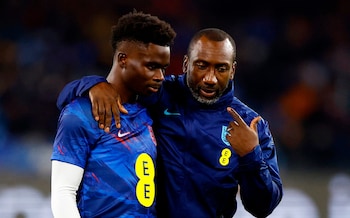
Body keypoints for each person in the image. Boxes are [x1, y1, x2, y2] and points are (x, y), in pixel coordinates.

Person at [57, 28, 283, 218]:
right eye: (201, 65)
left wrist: (251, 157)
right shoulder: (160, 95)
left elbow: (263, 207)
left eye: (221, 68)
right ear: (186, 64)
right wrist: (92, 85)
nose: (210, 78)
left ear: (232, 70)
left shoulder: (251, 124)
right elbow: (69, 101)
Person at [51, 10, 176, 218]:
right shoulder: (81, 114)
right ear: (123, 59)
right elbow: (63, 194)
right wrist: (90, 84)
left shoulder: (152, 108)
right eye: (151, 67)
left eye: (163, 68)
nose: (160, 77)